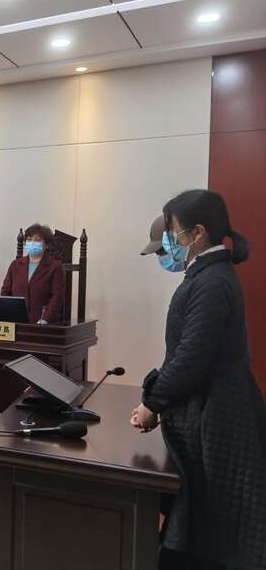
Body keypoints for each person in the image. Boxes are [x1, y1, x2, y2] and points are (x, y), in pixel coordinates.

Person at [130, 190, 266, 570]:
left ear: (198, 233)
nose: (169, 242)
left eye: (173, 232)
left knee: (209, 529)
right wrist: (159, 398)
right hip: (206, 406)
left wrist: (152, 403)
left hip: (216, 416)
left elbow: (190, 358)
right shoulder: (207, 275)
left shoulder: (212, 281)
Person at [0, 223, 64, 324]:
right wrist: (9, 313)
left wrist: (46, 319)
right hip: (16, 321)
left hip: (42, 323)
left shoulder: (55, 266)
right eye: (29, 240)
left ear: (47, 244)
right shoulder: (16, 265)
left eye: (37, 240)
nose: (32, 243)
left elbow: (57, 297)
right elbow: (5, 292)